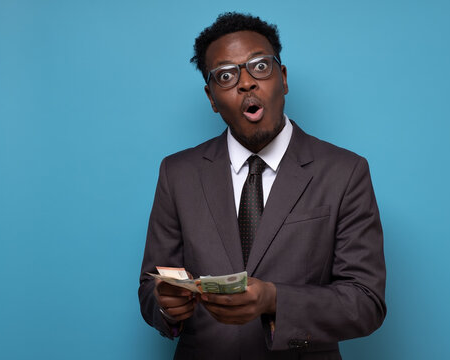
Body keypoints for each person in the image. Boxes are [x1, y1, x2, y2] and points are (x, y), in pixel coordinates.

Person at [139, 12, 386, 360]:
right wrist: (165, 306)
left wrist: (274, 300)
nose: (246, 83)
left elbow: (366, 302)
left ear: (282, 78)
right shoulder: (177, 173)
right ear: (211, 98)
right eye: (226, 75)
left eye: (259, 67)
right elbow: (150, 286)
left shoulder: (345, 172)